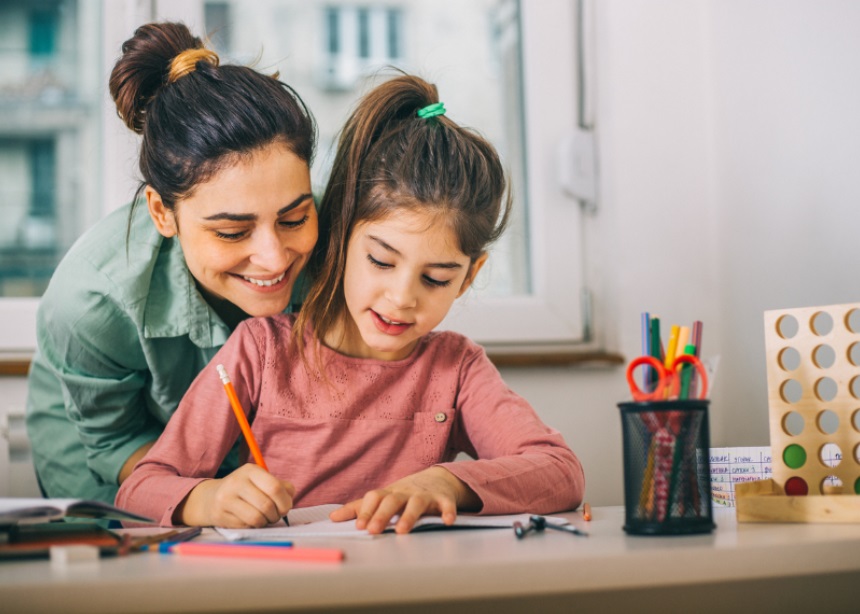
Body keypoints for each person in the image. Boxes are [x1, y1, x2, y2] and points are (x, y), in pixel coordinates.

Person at [116, 74, 585, 534]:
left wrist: (446, 482)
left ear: (469, 277)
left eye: (436, 278)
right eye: (381, 261)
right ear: (340, 238)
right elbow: (140, 488)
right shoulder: (261, 351)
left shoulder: (456, 369)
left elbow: (561, 472)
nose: (402, 298)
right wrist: (208, 498)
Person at [25, 21, 318, 503]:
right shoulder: (91, 301)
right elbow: (113, 440)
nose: (273, 257)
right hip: (111, 451)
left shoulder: (346, 244)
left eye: (294, 218)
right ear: (163, 213)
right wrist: (203, 497)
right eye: (232, 231)